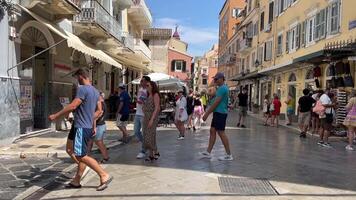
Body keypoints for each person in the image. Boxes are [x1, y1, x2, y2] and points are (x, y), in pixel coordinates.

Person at [48, 69, 112, 191]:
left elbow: (73, 105)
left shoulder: (82, 89)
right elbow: (99, 111)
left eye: (77, 77)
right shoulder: (95, 91)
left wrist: (56, 115)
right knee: (69, 149)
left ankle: (103, 174)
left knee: (81, 155)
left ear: (82, 76)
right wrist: (91, 122)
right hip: (82, 125)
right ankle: (77, 180)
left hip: (81, 127)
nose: (76, 80)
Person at [200, 72, 233, 161]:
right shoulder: (219, 88)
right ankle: (208, 152)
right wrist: (213, 84)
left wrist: (206, 114)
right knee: (212, 130)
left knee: (221, 133)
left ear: (222, 79)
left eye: (216, 79)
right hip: (218, 112)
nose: (215, 80)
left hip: (220, 113)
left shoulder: (222, 89)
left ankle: (229, 154)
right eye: (214, 79)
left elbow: (216, 102)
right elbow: (211, 94)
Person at [88, 92, 109, 163]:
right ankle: (87, 157)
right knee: (90, 142)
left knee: (98, 142)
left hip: (98, 126)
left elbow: (96, 117)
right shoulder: (103, 103)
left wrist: (94, 127)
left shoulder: (99, 104)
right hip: (101, 125)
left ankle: (106, 157)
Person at [143, 81, 161, 161]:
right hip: (146, 117)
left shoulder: (155, 95)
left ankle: (156, 151)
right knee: (147, 135)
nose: (146, 87)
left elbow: (157, 108)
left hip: (152, 117)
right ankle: (151, 155)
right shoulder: (148, 95)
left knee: (151, 135)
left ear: (152, 86)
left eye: (147, 85)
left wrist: (152, 119)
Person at [134, 75, 150, 159]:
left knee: (144, 132)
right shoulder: (140, 89)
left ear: (147, 82)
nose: (141, 82)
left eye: (142, 81)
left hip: (144, 114)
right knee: (136, 132)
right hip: (138, 113)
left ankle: (143, 150)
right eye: (140, 81)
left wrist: (140, 101)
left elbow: (147, 102)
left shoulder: (148, 91)